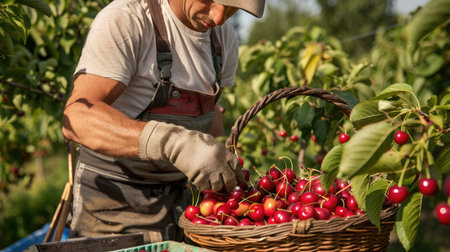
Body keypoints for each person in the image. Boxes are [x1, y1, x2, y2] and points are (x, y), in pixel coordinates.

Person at [62, 0, 265, 243]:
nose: (220, 17)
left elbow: (211, 114)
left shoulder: (223, 37)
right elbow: (77, 117)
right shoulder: (128, 20)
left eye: (232, 9)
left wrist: (220, 165)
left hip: (182, 209)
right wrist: (173, 143)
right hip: (113, 210)